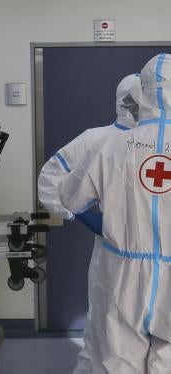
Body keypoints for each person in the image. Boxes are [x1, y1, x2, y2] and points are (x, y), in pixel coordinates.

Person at [59, 53, 171, 373]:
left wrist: (108, 226)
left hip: (123, 270)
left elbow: (70, 197)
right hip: (152, 271)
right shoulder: (110, 144)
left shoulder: (111, 146)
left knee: (117, 355)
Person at [38, 74, 141, 373]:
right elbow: (50, 180)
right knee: (104, 334)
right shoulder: (97, 139)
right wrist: (85, 215)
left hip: (162, 255)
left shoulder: (164, 140)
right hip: (114, 256)